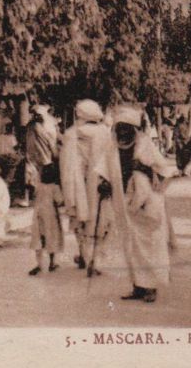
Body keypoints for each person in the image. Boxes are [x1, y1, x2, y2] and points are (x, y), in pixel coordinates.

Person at [106, 106, 177, 303]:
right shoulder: (113, 147)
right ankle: (137, 286)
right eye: (119, 128)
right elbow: (105, 169)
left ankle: (151, 287)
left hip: (147, 206)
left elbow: (166, 171)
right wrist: (104, 182)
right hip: (126, 204)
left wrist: (145, 168)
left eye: (126, 129)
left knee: (150, 248)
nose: (122, 133)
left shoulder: (145, 145)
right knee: (131, 248)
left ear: (134, 130)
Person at [60, 99, 116, 272]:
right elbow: (111, 160)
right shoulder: (105, 133)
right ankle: (96, 259)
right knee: (101, 221)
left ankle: (84, 255)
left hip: (77, 185)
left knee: (79, 219)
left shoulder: (71, 133)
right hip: (99, 183)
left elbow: (65, 164)